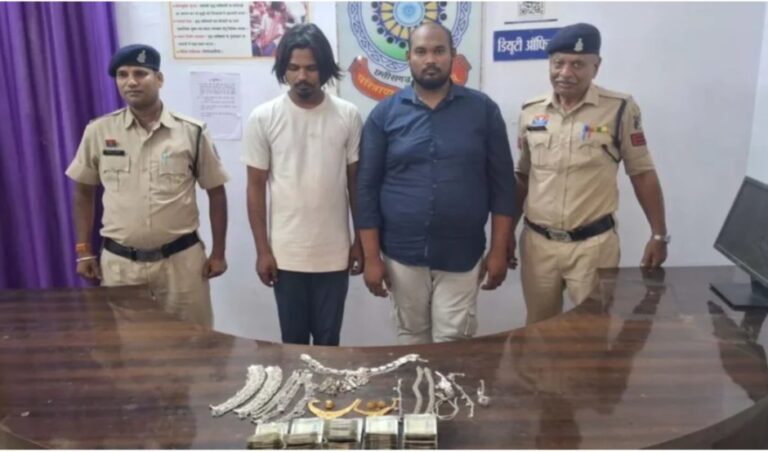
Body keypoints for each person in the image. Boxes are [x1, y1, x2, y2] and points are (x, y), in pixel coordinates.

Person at [356, 22, 517, 345]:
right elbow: (366, 189)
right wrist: (372, 257)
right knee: (411, 342)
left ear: (452, 55)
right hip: (402, 254)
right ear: (409, 57)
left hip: (462, 252)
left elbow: (503, 186)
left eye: (439, 51)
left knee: (454, 344)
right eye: (421, 51)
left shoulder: (482, 110)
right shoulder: (384, 115)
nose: (430, 59)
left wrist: (499, 250)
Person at [513, 23, 669, 325]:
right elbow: (523, 176)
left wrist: (659, 234)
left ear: (596, 67)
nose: (565, 72)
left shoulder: (620, 109)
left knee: (593, 332)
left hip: (593, 248)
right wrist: (506, 236)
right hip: (537, 245)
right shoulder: (531, 112)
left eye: (577, 64)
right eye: (558, 63)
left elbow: (642, 173)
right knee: (538, 331)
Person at [66, 44, 229, 329]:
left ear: (159, 79)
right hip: (121, 267)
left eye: (140, 73)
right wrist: (83, 250)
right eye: (122, 75)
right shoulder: (99, 131)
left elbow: (216, 192)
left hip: (182, 265)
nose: (131, 82)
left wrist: (218, 253)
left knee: (195, 344)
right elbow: (83, 191)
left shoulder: (191, 132)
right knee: (131, 348)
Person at [242, 23, 363, 346]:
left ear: (324, 68)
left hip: (335, 254)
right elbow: (255, 189)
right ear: (283, 68)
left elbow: (356, 186)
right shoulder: (263, 117)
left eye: (311, 68)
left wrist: (360, 242)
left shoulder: (348, 115)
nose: (302, 76)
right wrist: (262, 250)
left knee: (329, 342)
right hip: (286, 255)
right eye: (293, 68)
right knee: (292, 344)